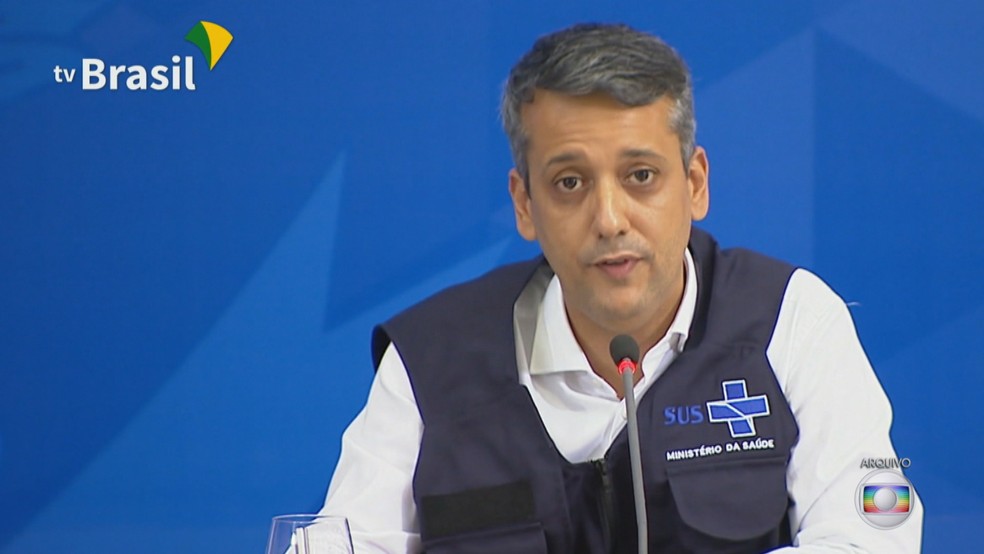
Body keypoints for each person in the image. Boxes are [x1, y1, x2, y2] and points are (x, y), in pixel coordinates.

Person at [319, 23, 923, 553]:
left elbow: (874, 536)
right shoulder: (430, 359)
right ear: (524, 205)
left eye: (641, 176)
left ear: (694, 184)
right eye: (570, 183)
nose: (609, 219)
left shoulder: (791, 320)